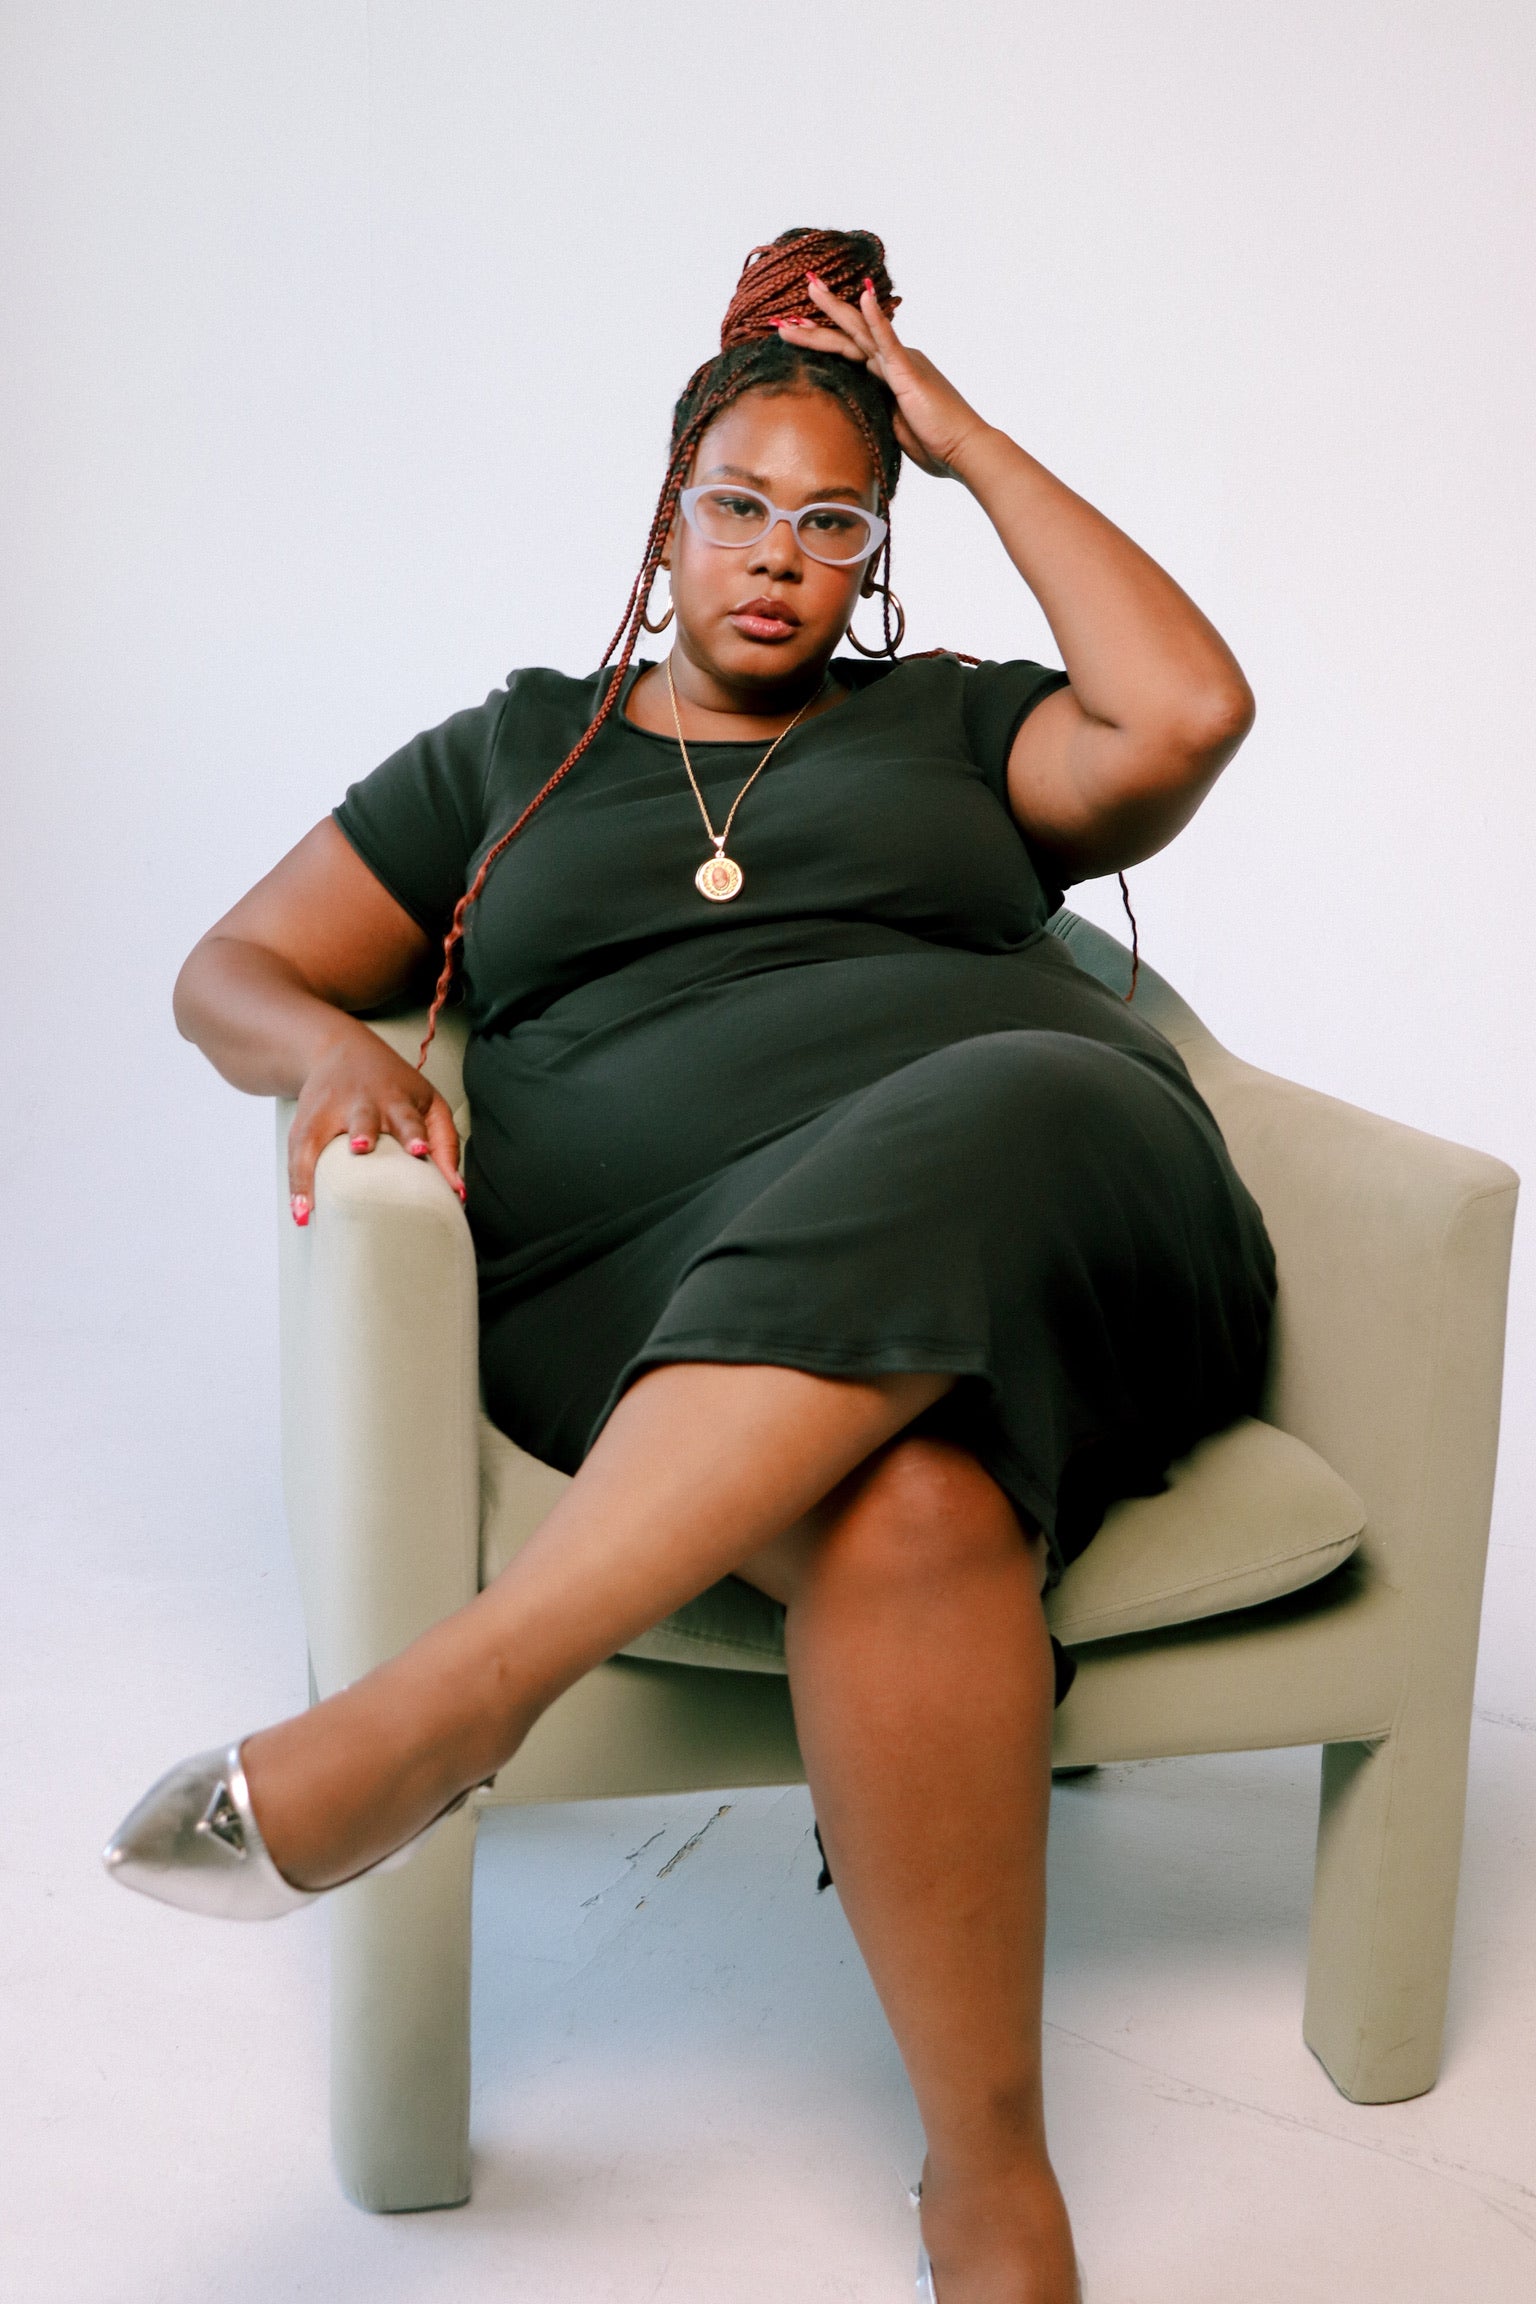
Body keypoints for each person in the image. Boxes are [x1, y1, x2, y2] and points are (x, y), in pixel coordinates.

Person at [106, 228, 1275, 2304]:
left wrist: (959, 432)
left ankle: (456, 1700)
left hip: (1048, 1195)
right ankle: (988, 2175)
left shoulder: (960, 728)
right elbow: (232, 967)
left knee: (999, 1087)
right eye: (739, 507)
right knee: (912, 1513)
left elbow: (1189, 706)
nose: (777, 558)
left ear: (876, 559)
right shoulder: (515, 752)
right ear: (667, 522)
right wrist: (331, 1051)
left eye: (836, 523)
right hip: (639, 1280)